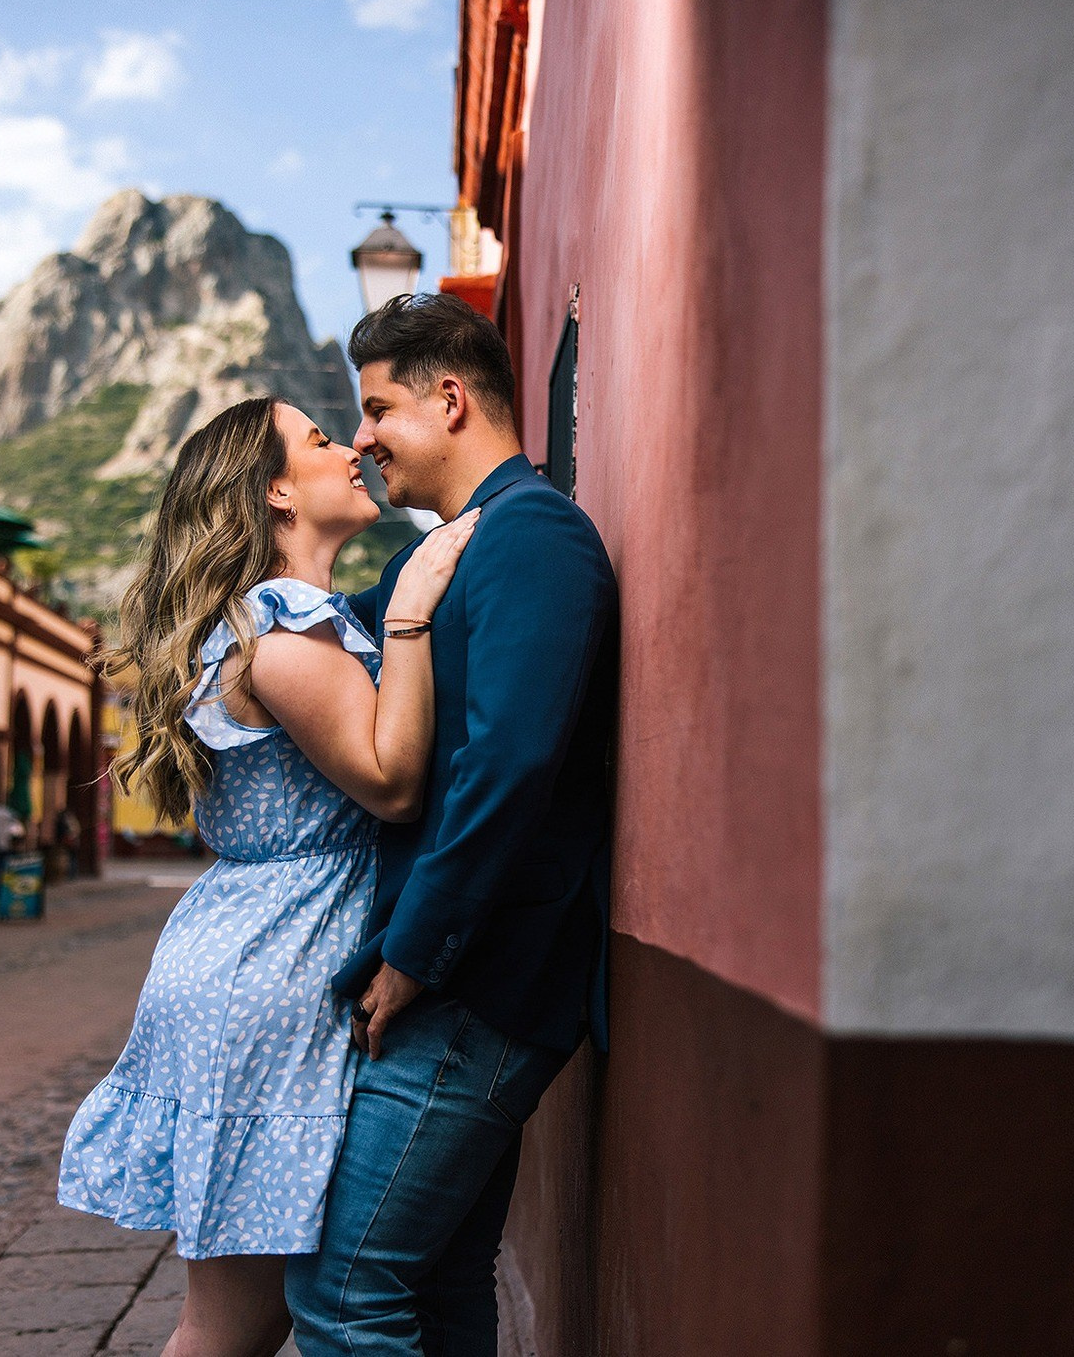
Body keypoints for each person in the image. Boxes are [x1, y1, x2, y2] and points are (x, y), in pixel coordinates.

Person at [57, 395, 478, 1357]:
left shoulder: (287, 625)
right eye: (323, 441)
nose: (351, 449)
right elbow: (391, 782)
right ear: (278, 492)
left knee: (249, 1318)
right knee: (232, 1328)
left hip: (254, 958)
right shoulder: (279, 632)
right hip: (273, 971)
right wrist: (410, 610)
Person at [285, 294, 618, 1356]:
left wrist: (412, 958)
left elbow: (508, 766)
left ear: (450, 394)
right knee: (431, 1285)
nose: (365, 436)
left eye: (377, 407)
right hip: (453, 978)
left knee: (344, 1294)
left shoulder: (536, 537)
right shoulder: (440, 558)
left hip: (475, 983)